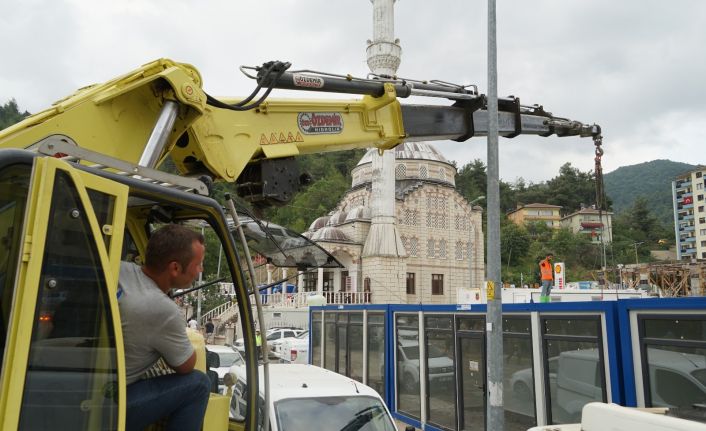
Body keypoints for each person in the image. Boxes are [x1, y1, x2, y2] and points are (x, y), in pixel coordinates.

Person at [118, 224, 210, 431]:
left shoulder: (119, 268)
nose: (200, 270)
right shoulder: (162, 309)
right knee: (198, 384)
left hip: (79, 384)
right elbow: (186, 365)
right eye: (199, 264)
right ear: (175, 268)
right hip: (108, 402)